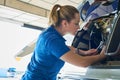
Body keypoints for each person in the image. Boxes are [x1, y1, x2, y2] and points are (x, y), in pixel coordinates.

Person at [21, 4, 106, 80]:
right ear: (65, 23)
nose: (78, 27)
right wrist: (102, 55)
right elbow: (82, 62)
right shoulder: (52, 39)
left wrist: (83, 52)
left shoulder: (50, 34)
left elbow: (63, 48)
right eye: (76, 24)